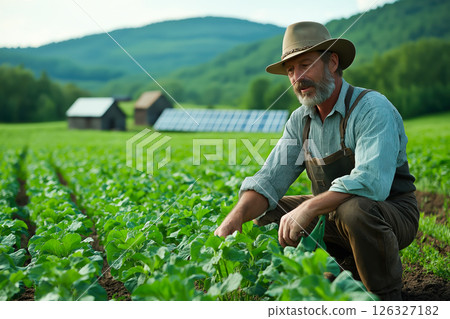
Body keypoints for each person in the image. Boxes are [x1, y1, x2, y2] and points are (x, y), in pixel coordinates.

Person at [214, 21, 419, 301]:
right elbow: (270, 178)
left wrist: (310, 207)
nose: (297, 77)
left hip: (390, 213)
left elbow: (372, 183)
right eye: (290, 70)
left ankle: (384, 298)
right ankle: (328, 280)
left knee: (354, 209)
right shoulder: (301, 120)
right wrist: (234, 218)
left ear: (332, 62)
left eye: (305, 65)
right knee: (266, 211)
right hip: (331, 215)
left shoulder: (372, 108)